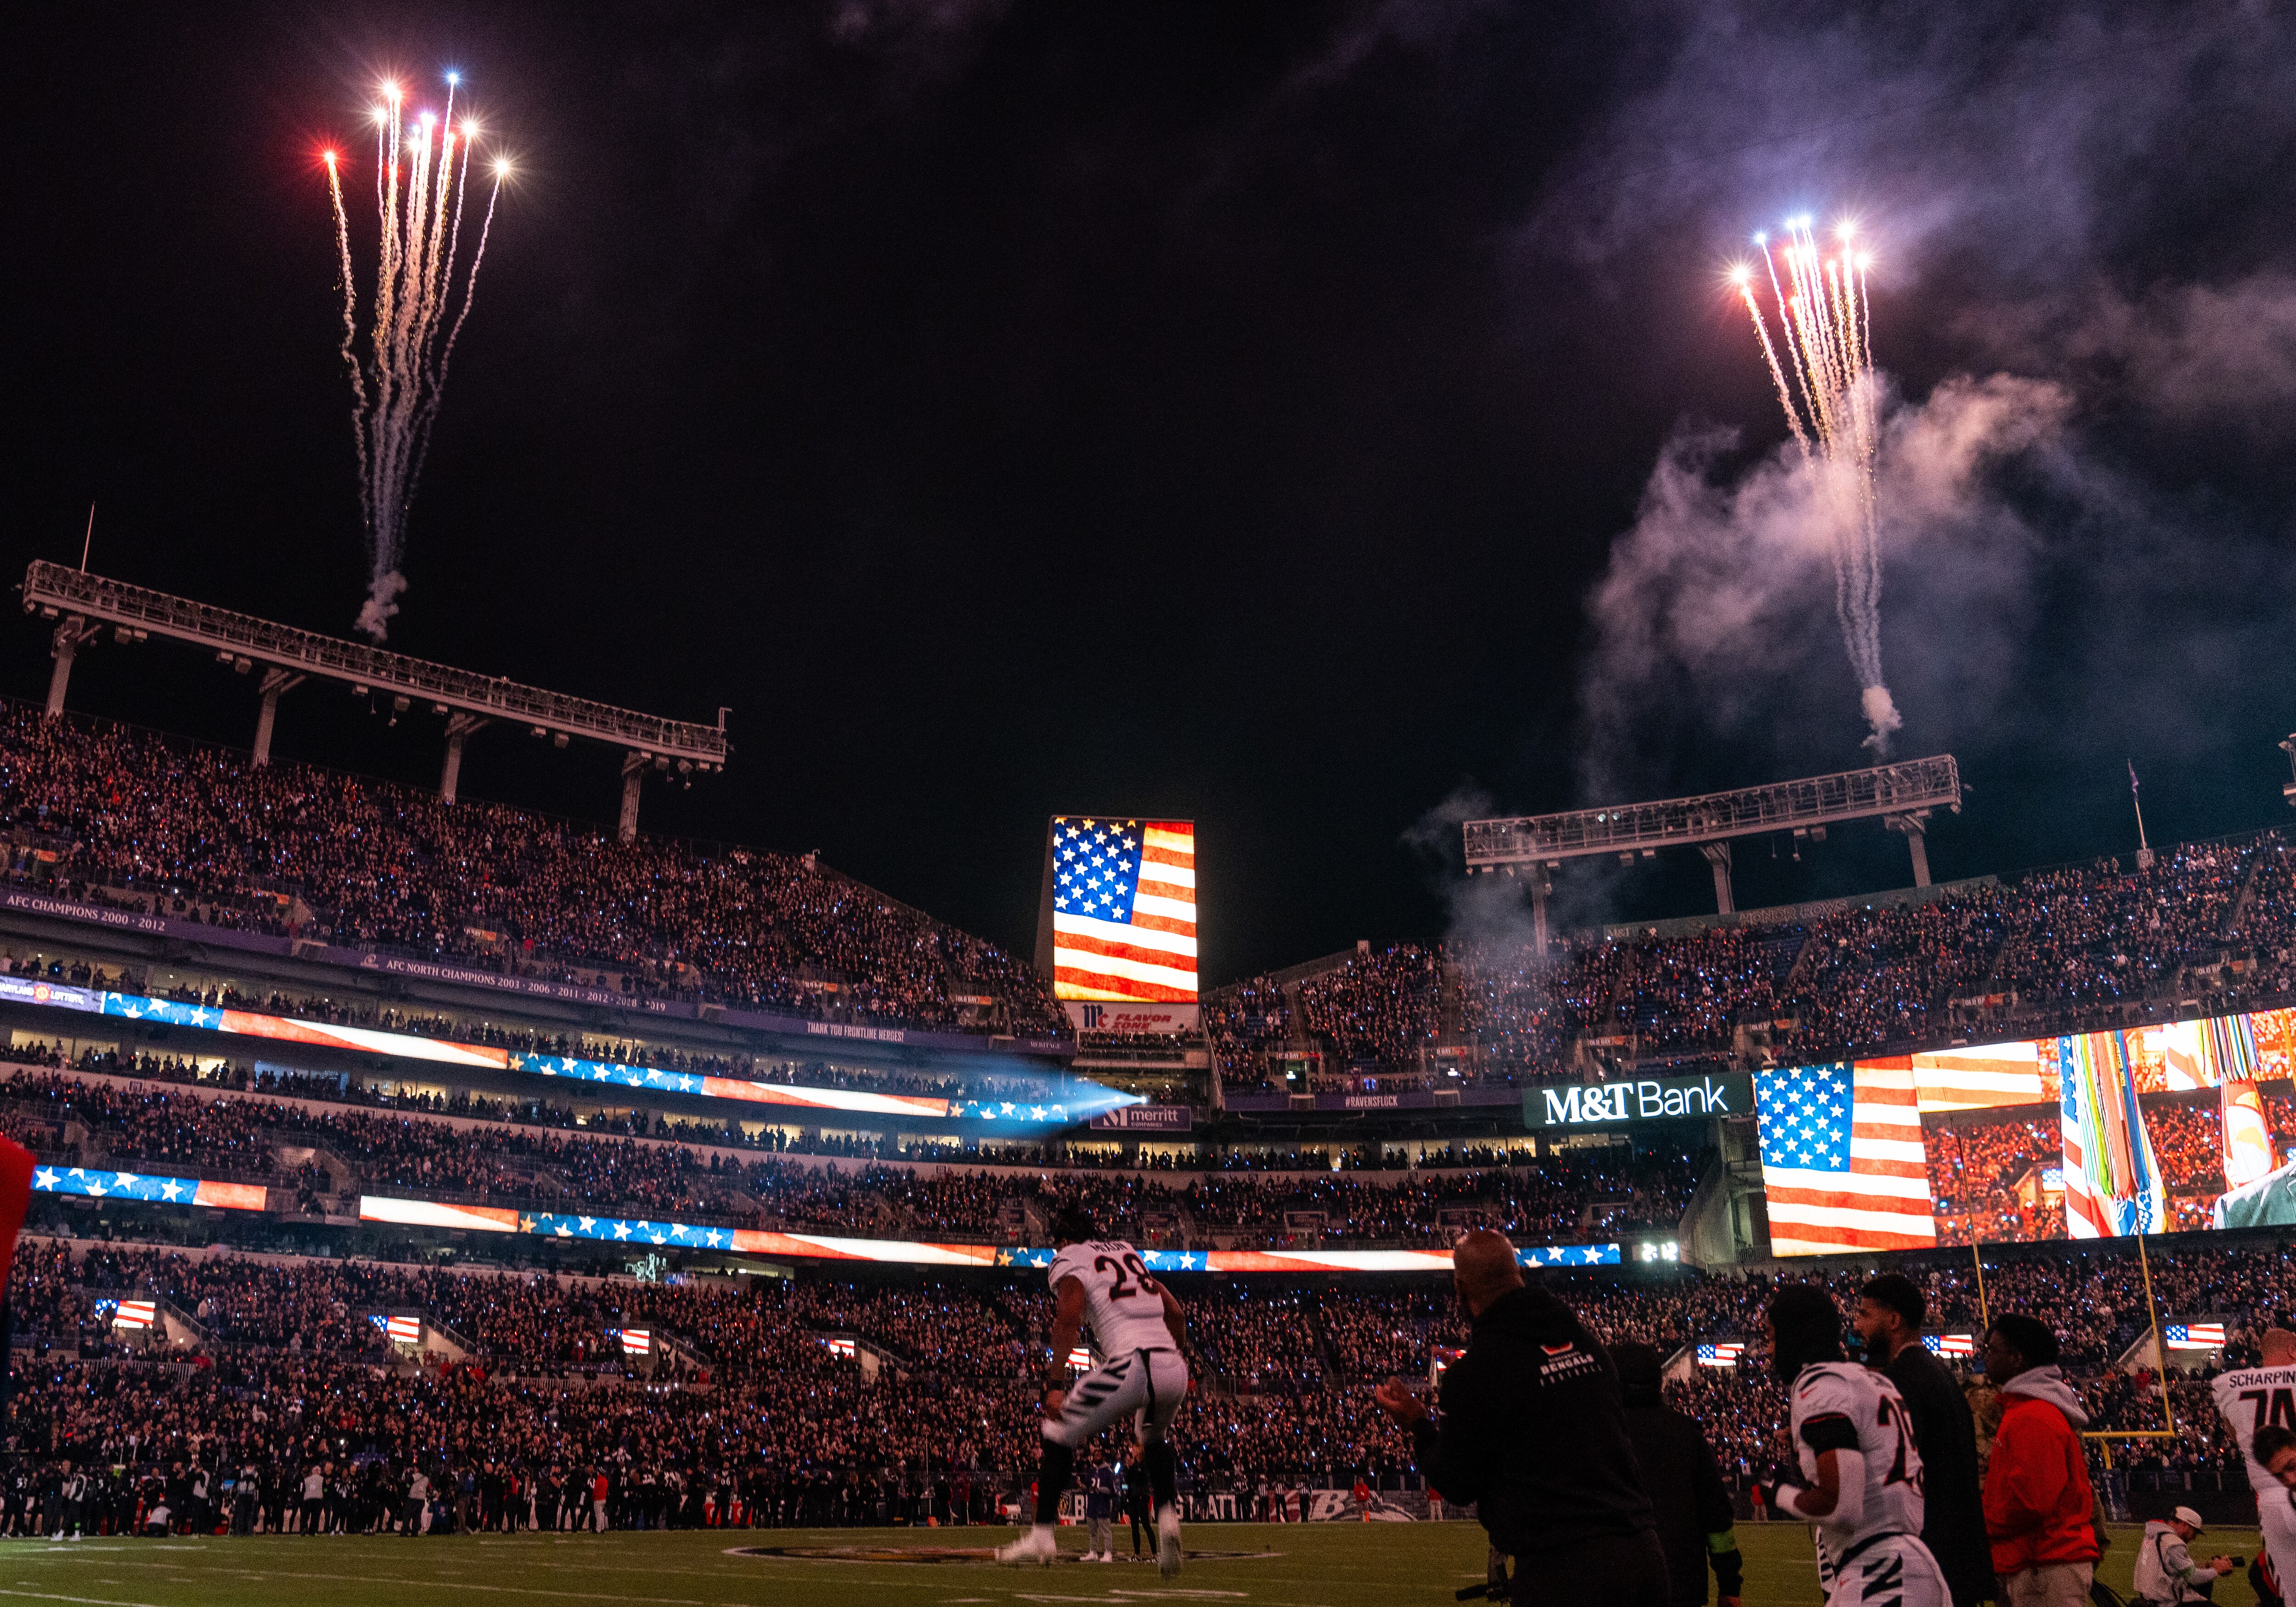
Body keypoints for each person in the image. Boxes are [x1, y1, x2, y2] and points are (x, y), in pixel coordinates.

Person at [1371, 1229, 1668, 1607]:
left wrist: (1417, 1422)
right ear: (1520, 1276)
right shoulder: (1586, 1343)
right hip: (1644, 1553)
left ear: (1460, 1290)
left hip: (1563, 1568)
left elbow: (1458, 1483)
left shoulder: (1476, 1372)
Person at [997, 1207, 1192, 1577]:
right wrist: (1177, 1356)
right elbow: (1177, 1314)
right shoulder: (1126, 1251)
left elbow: (1069, 1316)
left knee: (1057, 1432)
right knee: (1152, 1436)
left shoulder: (1070, 1257)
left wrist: (1056, 1384)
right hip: (1172, 1366)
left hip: (1132, 1364)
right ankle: (1168, 1522)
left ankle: (1042, 1535)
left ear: (1064, 1240)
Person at [1756, 1285, 1951, 1607]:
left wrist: (1776, 1492)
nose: (1769, 1350)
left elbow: (1840, 1506)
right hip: (1900, 1559)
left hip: (1882, 1569)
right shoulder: (1873, 1381)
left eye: (1772, 1336)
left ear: (1795, 1333)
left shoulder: (1822, 1385)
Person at [1856, 1274, 1995, 1607]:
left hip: (1932, 1557)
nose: (1857, 1324)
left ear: (1893, 1319)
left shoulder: (1902, 1380)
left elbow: (1898, 1474)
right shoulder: (1937, 1372)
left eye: (1864, 1314)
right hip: (1957, 1555)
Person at [1980, 1315, 2100, 1607]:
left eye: (1992, 1349)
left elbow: (2033, 1500)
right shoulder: (2027, 1410)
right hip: (2043, 1559)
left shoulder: (2032, 1415)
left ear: (2017, 1358)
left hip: (2046, 1563)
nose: (1985, 1356)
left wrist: (1987, 1522)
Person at [1612, 1342, 1743, 1607]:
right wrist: (1729, 1584)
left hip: (1618, 1584)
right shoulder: (1685, 1433)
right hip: (1682, 1584)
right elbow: (1717, 1517)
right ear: (1659, 1381)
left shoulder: (1602, 1438)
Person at [2209, 1326, 2296, 1596]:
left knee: (2292, 1592)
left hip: (2269, 1499)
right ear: (2293, 1351)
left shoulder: (2228, 1384)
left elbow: (2236, 1436)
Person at [2132, 1506, 2234, 1606]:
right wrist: (2217, 1569)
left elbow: (2168, 1566)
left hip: (2150, 1598)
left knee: (2205, 1584)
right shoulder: (2174, 1543)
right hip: (2169, 1602)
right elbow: (2193, 1577)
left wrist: (2209, 1565)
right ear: (2185, 1525)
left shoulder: (2152, 1536)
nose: (2194, 1538)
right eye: (2194, 1532)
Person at [1083, 1458, 1116, 1562]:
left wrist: (1100, 1489)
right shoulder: (1091, 1471)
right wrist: (1082, 1486)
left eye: (1099, 1455)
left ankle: (1108, 1553)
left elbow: (1112, 1490)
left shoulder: (1108, 1472)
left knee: (1106, 1531)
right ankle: (1093, 1552)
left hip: (1103, 1504)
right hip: (1092, 1503)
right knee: (1093, 1531)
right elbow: (1087, 1486)